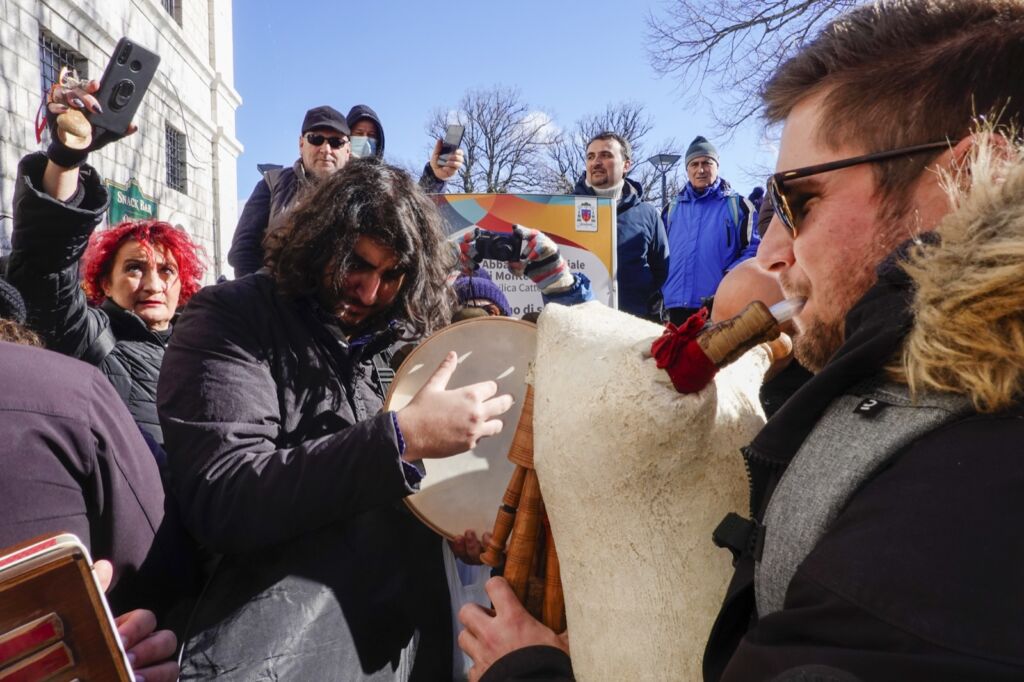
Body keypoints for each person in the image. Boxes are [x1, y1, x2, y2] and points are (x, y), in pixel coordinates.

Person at [456, 1, 1024, 680]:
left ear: (960, 184)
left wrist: (529, 672)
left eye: (801, 201)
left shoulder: (956, 504)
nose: (772, 250)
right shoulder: (922, 414)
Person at [158, 156, 515, 680]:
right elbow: (226, 495)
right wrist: (402, 439)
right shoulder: (230, 319)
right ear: (317, 241)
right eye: (356, 264)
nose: (370, 292)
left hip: (404, 649)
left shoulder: (399, 336)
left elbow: (393, 491)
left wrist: (453, 522)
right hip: (287, 652)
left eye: (392, 274)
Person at [5, 74, 205, 446]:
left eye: (167, 270)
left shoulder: (207, 350)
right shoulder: (86, 335)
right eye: (134, 267)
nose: (153, 284)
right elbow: (45, 264)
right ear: (105, 281)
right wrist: (67, 157)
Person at [227, 105, 352, 277]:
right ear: (301, 144)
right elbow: (243, 249)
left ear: (348, 150)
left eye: (336, 142)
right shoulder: (272, 183)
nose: (326, 149)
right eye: (316, 139)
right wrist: (260, 296)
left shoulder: (361, 193)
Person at [662, 135, 759, 324]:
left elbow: (754, 250)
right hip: (674, 307)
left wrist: (728, 281)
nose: (700, 170)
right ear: (687, 169)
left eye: (707, 163)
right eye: (694, 164)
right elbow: (659, 255)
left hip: (718, 306)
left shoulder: (739, 206)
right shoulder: (671, 209)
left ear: (717, 166)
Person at [573, 132, 668, 320]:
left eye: (606, 155)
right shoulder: (563, 210)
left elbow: (661, 270)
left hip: (634, 324)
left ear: (626, 165)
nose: (596, 162)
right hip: (581, 324)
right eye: (590, 156)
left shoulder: (647, 214)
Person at [346, 103, 465, 193]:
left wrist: (435, 177)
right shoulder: (331, 176)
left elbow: (417, 207)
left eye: (371, 135)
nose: (366, 139)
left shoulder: (389, 182)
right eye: (359, 133)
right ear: (347, 138)